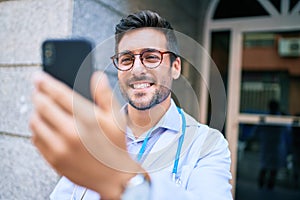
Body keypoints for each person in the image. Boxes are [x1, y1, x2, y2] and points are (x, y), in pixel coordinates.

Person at [30, 10, 232, 199]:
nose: (136, 69)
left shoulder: (208, 145)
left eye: (151, 57)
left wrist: (122, 180)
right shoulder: (92, 133)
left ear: (175, 67)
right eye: (126, 59)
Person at [256, 99, 288, 190]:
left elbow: (256, 130)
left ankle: (264, 185)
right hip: (273, 146)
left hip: (272, 146)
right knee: (269, 167)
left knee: (267, 166)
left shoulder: (276, 117)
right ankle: (266, 186)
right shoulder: (278, 117)